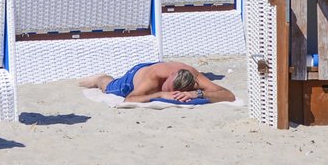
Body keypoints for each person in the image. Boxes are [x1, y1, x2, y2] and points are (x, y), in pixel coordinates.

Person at [78, 60, 235, 104]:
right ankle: (99, 78)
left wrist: (197, 93)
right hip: (134, 78)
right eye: (169, 87)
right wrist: (161, 93)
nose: (169, 91)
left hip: (159, 65)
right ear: (170, 75)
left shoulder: (193, 76)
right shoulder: (153, 78)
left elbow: (228, 95)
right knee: (108, 87)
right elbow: (130, 98)